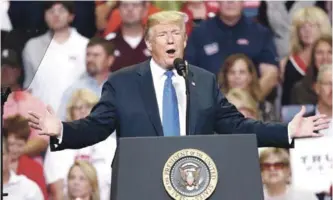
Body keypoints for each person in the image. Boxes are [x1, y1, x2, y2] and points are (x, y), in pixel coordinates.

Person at [27, 11, 330, 153]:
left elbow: (238, 126)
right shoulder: (124, 83)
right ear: (148, 43)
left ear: (185, 40)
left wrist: (287, 130)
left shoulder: (203, 81)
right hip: (142, 184)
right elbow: (96, 127)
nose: (171, 40)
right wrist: (62, 130)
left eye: (177, 34)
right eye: (163, 34)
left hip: (194, 182)